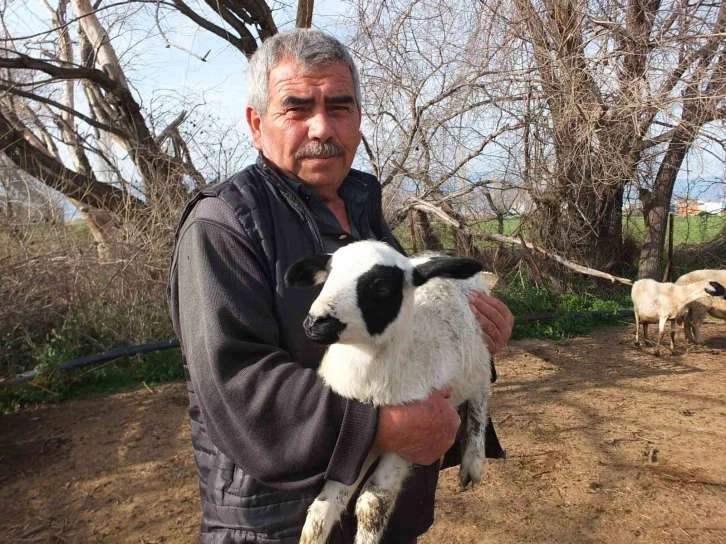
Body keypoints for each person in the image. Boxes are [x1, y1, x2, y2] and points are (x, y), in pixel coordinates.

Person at [168, 29, 514, 544]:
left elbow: (410, 343)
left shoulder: (364, 215)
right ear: (256, 124)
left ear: (358, 118)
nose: (322, 127)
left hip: (388, 519)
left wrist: (479, 337)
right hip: (278, 526)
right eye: (297, 107)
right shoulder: (224, 227)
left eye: (340, 106)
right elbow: (241, 385)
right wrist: (383, 427)